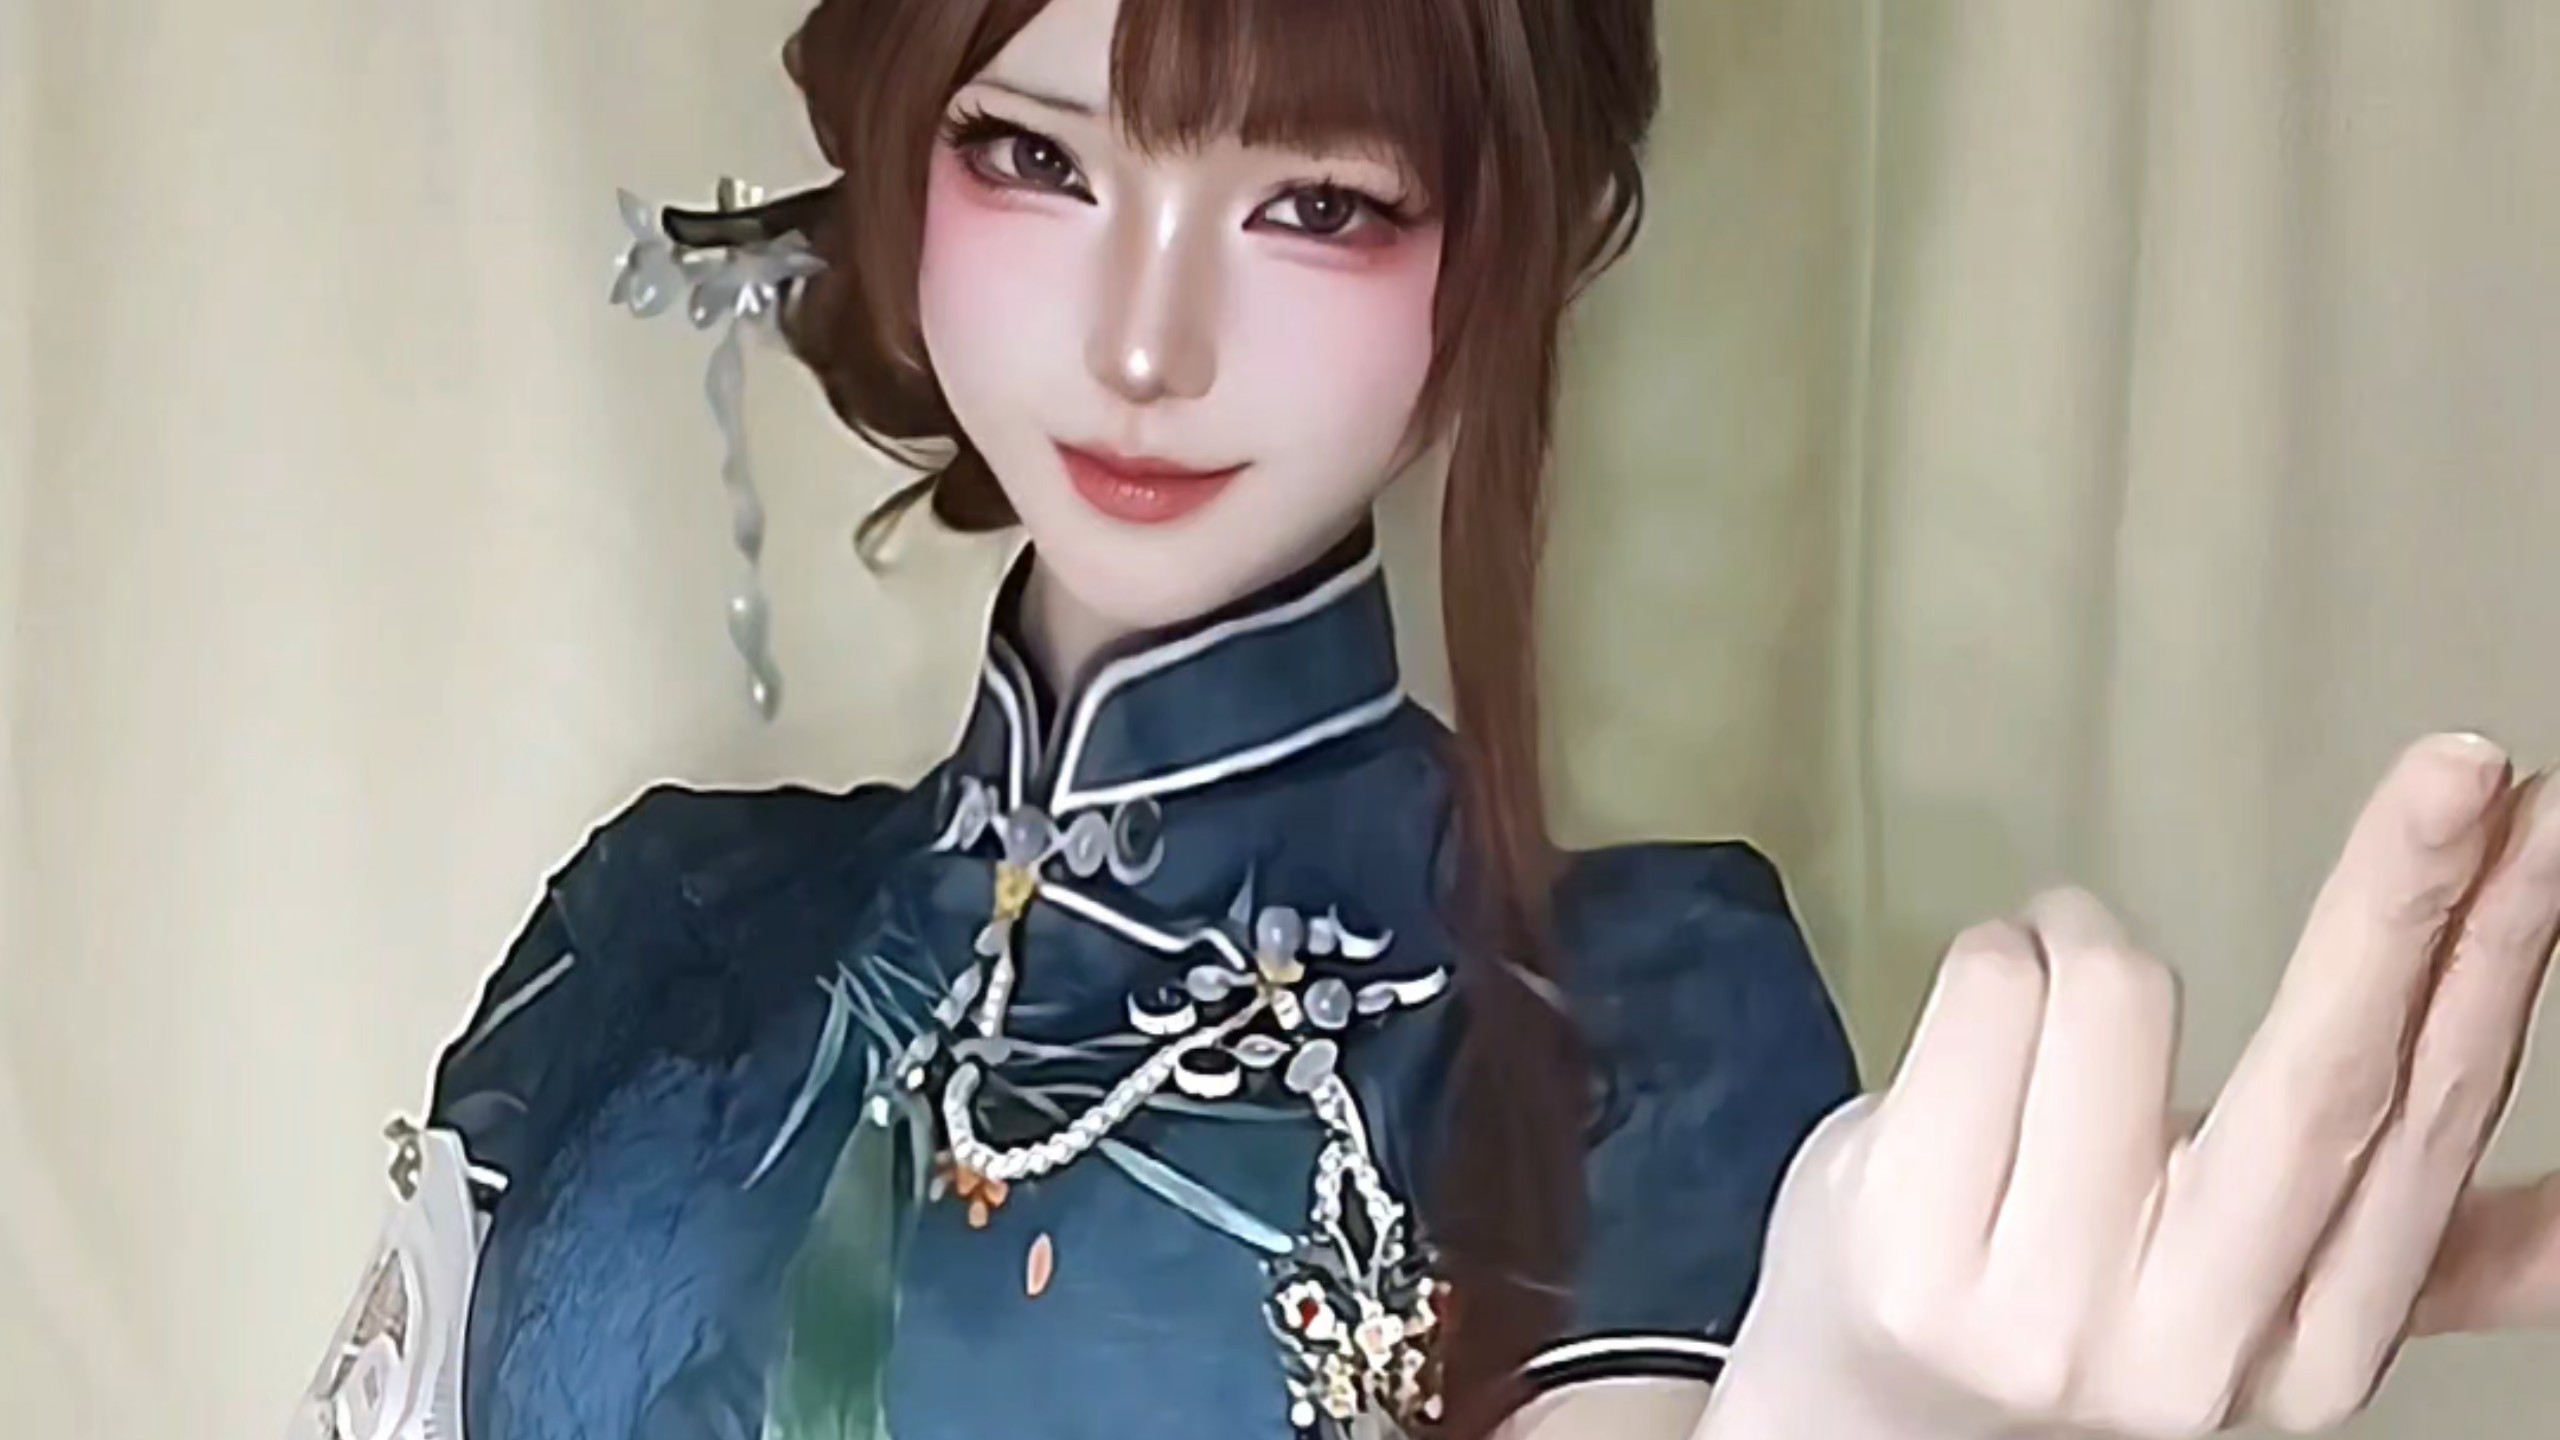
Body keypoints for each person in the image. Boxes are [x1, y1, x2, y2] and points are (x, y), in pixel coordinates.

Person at [286, 2, 2560, 1438]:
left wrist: (1856, 1415)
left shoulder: (1639, 1010)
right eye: (1035, 158)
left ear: (1502, 246)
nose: (1145, 342)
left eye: (1311, 201)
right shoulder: (662, 918)